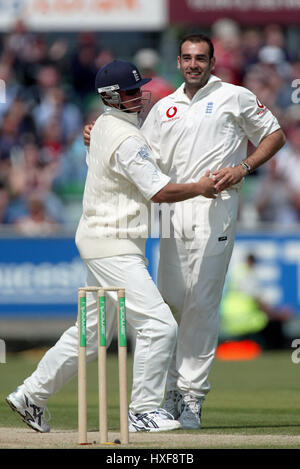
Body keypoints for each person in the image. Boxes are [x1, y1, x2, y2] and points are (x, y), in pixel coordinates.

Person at [83, 34, 285, 430]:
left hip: (215, 208)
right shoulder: (163, 108)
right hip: (171, 210)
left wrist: (242, 168)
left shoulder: (236, 96)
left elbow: (274, 134)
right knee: (169, 304)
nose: (194, 64)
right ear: (178, 61)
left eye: (201, 58)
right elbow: (136, 152)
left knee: (201, 304)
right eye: (188, 58)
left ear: (212, 61)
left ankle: (189, 396)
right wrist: (98, 134)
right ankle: (157, 398)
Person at [6, 59, 217, 434]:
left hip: (105, 238)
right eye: (131, 92)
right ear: (111, 98)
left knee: (90, 335)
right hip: (113, 244)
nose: (139, 96)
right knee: (158, 325)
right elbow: (160, 191)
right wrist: (201, 187)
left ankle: (30, 396)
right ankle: (142, 410)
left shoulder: (105, 125)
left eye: (140, 89)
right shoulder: (124, 137)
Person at [220, 253, 292, 349]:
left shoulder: (237, 271)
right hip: (243, 317)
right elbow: (257, 299)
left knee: (269, 319)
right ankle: (272, 349)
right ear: (252, 262)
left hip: (228, 315)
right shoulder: (246, 274)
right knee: (272, 322)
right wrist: (276, 315)